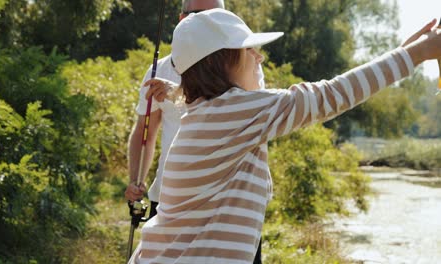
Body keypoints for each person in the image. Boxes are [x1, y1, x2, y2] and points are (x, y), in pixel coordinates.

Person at [129, 8, 441, 264]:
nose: (259, 57)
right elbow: (330, 96)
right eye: (249, 49)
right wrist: (415, 54)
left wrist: (406, 52)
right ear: (222, 61)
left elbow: (193, 99)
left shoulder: (206, 113)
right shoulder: (235, 112)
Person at [126, 1, 266, 262]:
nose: (209, 21)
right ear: (182, 19)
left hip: (229, 203)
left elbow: (238, 114)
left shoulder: (243, 64)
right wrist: (136, 179)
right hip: (171, 200)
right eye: (201, 15)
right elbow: (145, 134)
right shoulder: (160, 69)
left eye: (218, 15)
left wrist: (179, 92)